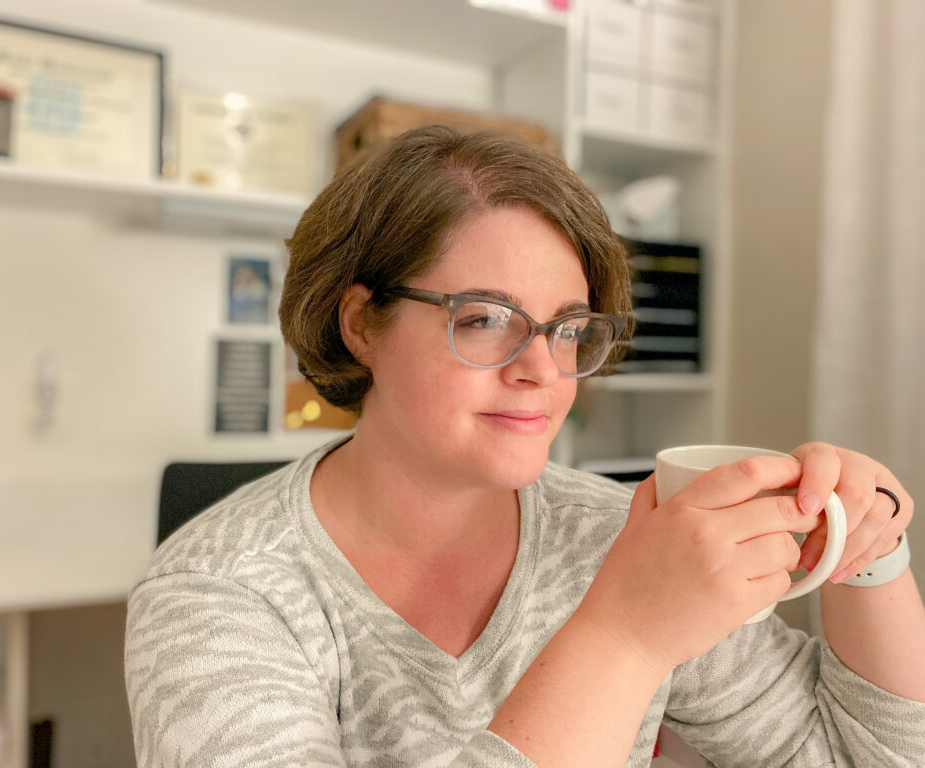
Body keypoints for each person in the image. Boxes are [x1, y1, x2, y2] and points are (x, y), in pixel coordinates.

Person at [124, 127, 925, 766]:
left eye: (569, 330)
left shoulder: (620, 540)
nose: (544, 370)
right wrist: (623, 636)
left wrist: (868, 554)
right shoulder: (214, 590)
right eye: (484, 318)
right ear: (360, 322)